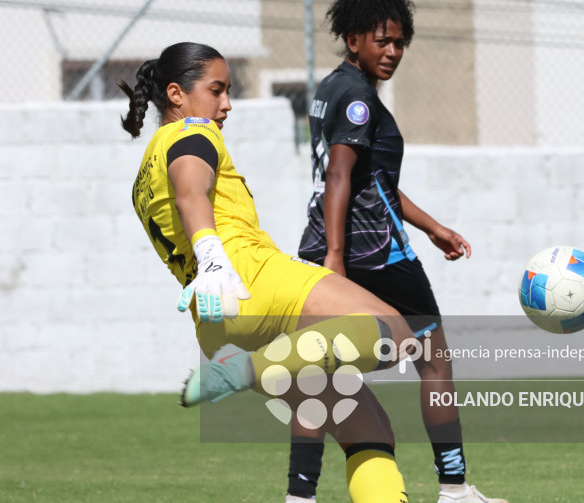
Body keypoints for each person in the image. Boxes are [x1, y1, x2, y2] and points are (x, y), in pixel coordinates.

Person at [120, 41, 419, 503]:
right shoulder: (190, 135)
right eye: (216, 90)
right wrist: (214, 255)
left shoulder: (144, 170)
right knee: (393, 332)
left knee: (366, 426)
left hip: (214, 320)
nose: (226, 104)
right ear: (176, 95)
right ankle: (244, 370)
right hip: (247, 279)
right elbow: (191, 192)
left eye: (228, 91)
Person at [287, 0, 508, 503]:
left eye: (400, 43)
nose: (392, 52)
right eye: (383, 41)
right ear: (353, 38)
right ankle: (454, 490)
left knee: (317, 367)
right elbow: (341, 177)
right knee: (434, 361)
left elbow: (371, 179)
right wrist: (339, 260)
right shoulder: (360, 99)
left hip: (325, 243)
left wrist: (433, 227)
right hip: (372, 252)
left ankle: (299, 496)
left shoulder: (332, 87)